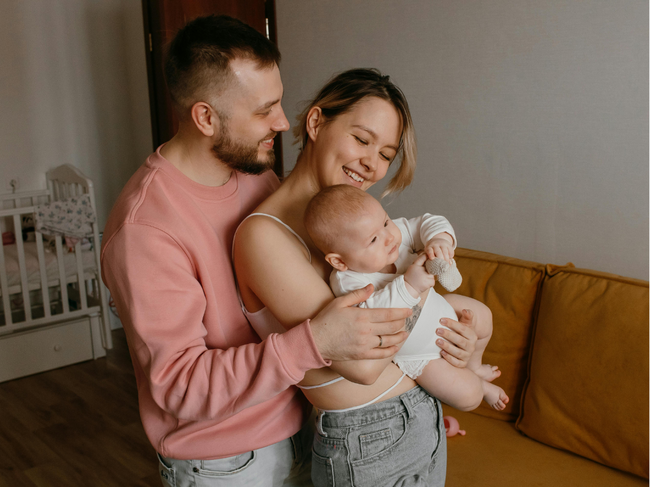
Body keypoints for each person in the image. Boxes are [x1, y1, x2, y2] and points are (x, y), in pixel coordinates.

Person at [101, 15, 423, 487]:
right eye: (263, 110)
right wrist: (315, 342)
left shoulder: (257, 178)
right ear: (206, 117)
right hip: (227, 464)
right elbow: (179, 385)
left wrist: (403, 410)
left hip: (309, 432)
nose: (282, 122)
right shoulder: (145, 229)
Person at [233, 68, 480, 487]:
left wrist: (451, 337)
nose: (371, 164)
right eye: (362, 139)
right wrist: (421, 297)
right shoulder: (265, 235)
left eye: (386, 154)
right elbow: (361, 365)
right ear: (316, 123)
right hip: (369, 437)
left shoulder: (353, 227)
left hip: (416, 415)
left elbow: (395, 321)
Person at [304, 184, 510, 411]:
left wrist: (439, 240)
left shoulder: (395, 236)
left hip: (440, 308)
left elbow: (427, 222)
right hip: (420, 355)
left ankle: (475, 366)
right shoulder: (348, 282)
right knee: (469, 397)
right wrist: (409, 286)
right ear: (340, 261)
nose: (389, 237)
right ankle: (481, 386)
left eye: (385, 222)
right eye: (373, 240)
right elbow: (372, 319)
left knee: (482, 315)